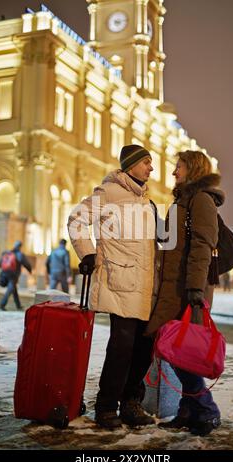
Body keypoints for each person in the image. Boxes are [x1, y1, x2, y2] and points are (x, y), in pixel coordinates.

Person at [67, 144, 157, 429]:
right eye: (146, 162)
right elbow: (76, 220)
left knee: (144, 347)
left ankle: (131, 403)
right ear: (130, 165)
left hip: (144, 285)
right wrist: (88, 253)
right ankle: (106, 407)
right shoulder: (107, 193)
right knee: (122, 347)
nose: (151, 168)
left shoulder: (145, 200)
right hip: (120, 282)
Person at [145, 150, 224, 437]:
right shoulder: (182, 201)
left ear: (192, 169)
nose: (173, 172)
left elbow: (203, 245)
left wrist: (194, 288)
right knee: (175, 349)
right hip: (175, 286)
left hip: (188, 288)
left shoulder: (201, 200)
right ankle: (188, 410)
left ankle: (206, 408)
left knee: (180, 348)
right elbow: (173, 243)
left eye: (178, 167)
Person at [0, 241, 32, 311]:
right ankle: (2, 304)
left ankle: (18, 305)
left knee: (14, 289)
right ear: (20, 247)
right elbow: (26, 264)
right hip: (13, 275)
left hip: (5, 272)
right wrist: (30, 270)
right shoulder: (20, 254)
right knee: (10, 289)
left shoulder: (7, 253)